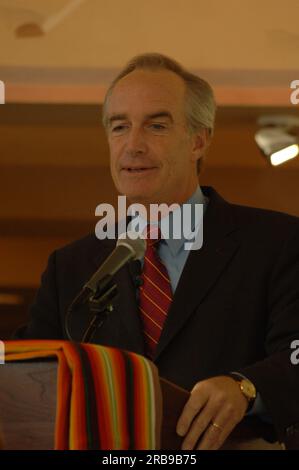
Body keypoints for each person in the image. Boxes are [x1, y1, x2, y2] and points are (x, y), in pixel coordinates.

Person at [15, 53, 299, 450]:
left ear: (199, 140)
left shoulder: (278, 241)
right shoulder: (72, 266)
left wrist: (247, 387)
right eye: (119, 127)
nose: (133, 145)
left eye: (157, 125)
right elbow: (32, 373)